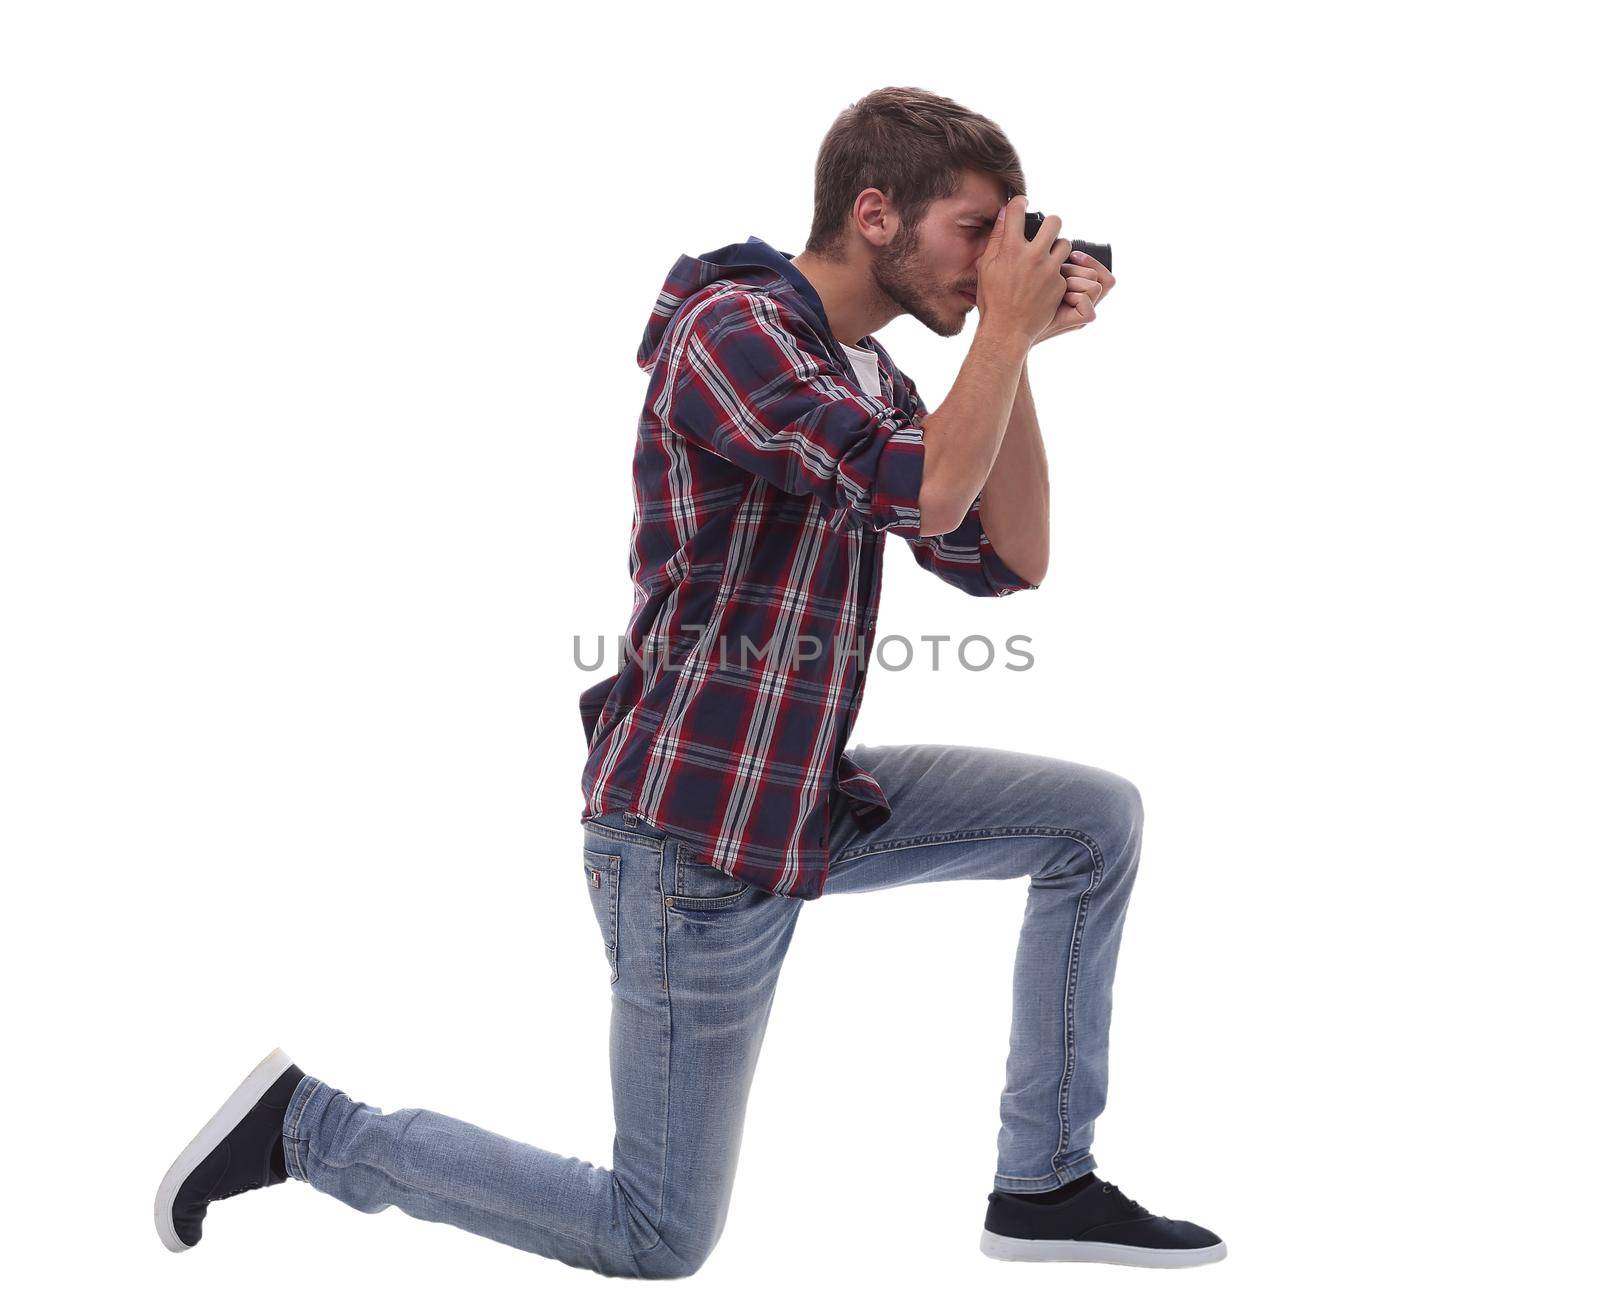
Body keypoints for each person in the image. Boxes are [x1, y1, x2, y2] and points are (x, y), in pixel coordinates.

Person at [155, 86, 1225, 1275]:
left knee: (1092, 822)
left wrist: (1015, 355)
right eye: (977, 230)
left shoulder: (870, 373)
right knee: (654, 1233)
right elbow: (921, 490)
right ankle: (305, 1129)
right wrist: (1002, 338)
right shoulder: (733, 329)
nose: (995, 263)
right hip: (687, 844)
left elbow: (1007, 557)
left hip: (796, 800)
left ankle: (1044, 1183)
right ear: (875, 213)